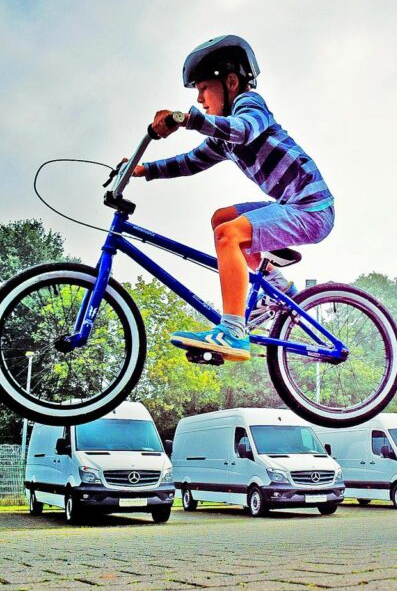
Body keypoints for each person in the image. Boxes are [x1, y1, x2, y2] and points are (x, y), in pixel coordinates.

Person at [130, 35, 334, 362]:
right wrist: (145, 170)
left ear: (231, 82)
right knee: (221, 219)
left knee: (229, 234)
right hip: (289, 206)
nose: (199, 100)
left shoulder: (250, 105)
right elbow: (190, 162)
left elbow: (241, 129)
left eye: (202, 89)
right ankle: (278, 289)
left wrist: (186, 119)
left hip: (311, 208)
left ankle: (234, 331)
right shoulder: (220, 141)